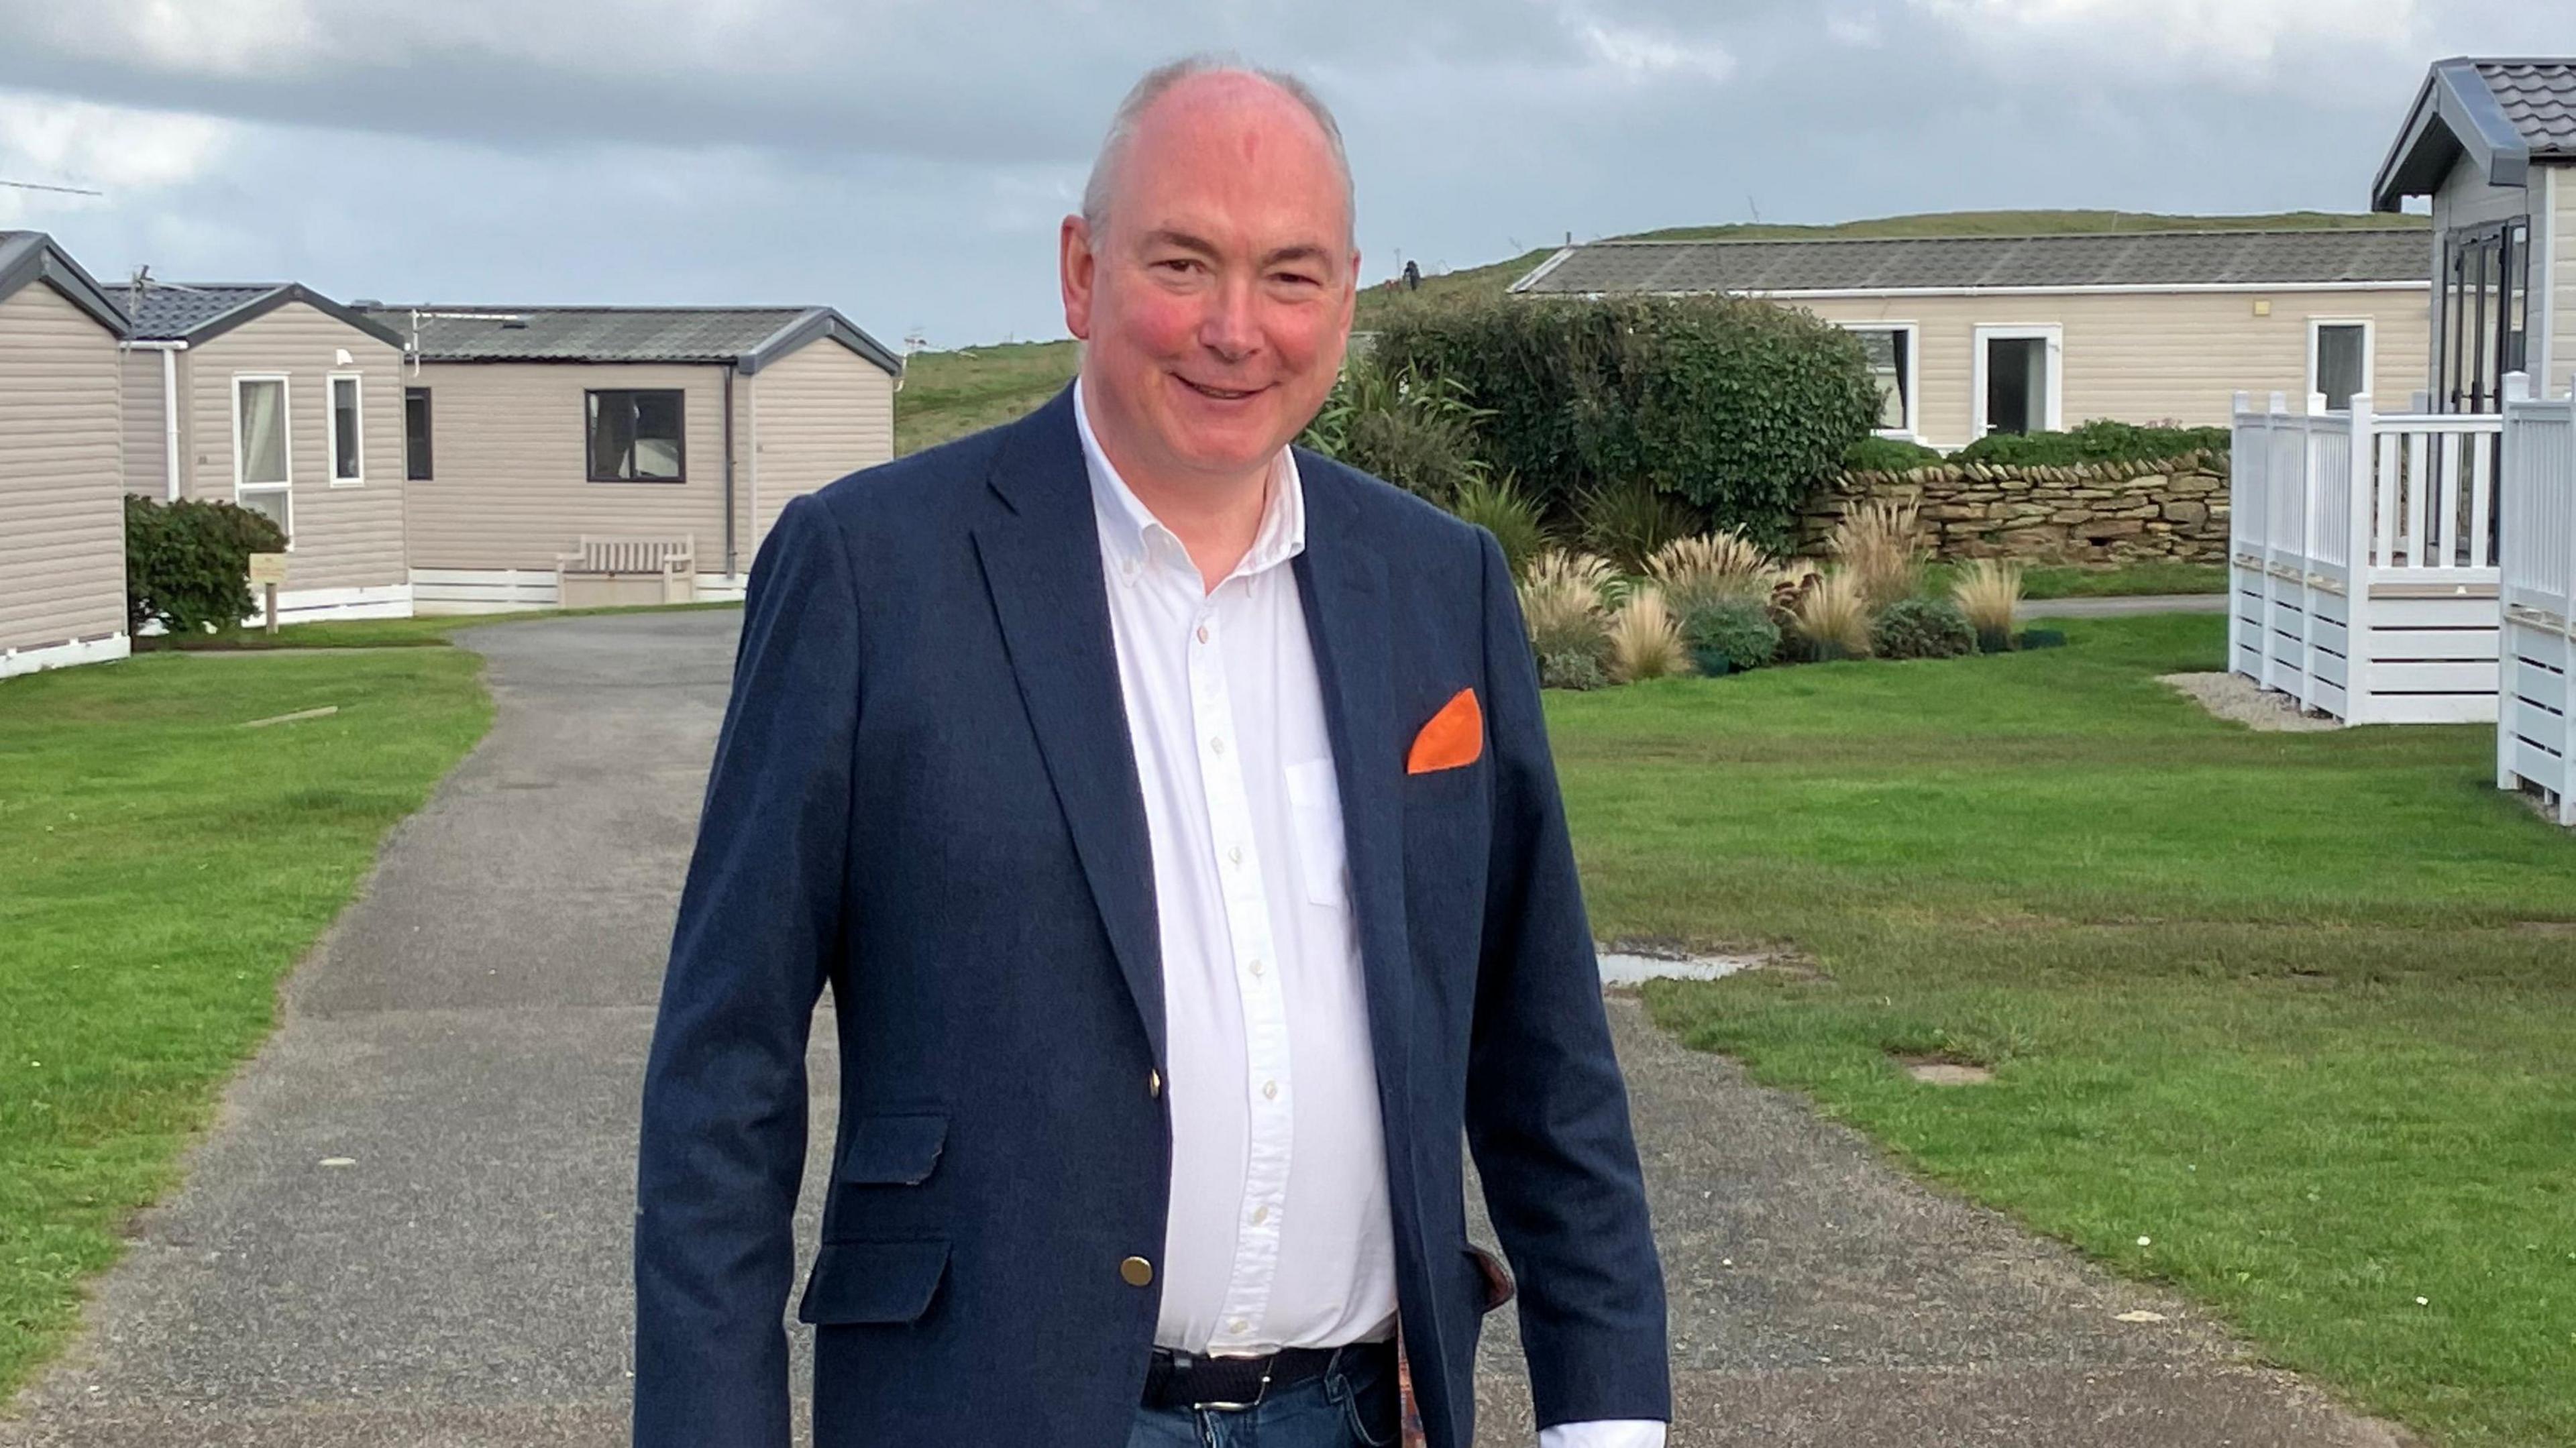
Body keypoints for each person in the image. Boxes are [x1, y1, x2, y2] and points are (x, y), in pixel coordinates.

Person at [632, 55, 1670, 1448]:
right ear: (1081, 272)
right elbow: (726, 1075)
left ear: (1346, 300)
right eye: (1185, 263)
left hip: (1355, 1413)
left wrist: (1606, 1418)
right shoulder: (874, 573)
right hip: (988, 1411)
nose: (1237, 330)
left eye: (1292, 278)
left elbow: (1541, 1046)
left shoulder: (1439, 587)